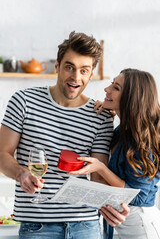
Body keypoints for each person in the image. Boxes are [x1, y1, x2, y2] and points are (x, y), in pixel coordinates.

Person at [0, 31, 129, 239]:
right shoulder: (23, 101)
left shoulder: (101, 117)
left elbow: (97, 177)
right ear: (57, 66)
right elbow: (2, 154)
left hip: (86, 226)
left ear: (91, 73)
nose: (76, 77)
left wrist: (115, 207)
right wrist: (20, 173)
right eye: (69, 67)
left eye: (84, 70)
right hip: (37, 228)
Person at [70, 68, 160, 239]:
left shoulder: (141, 139)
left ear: (131, 98)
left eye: (116, 88)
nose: (107, 89)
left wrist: (101, 168)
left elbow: (137, 195)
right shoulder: (121, 130)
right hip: (122, 225)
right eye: (112, 83)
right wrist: (108, 117)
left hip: (141, 226)